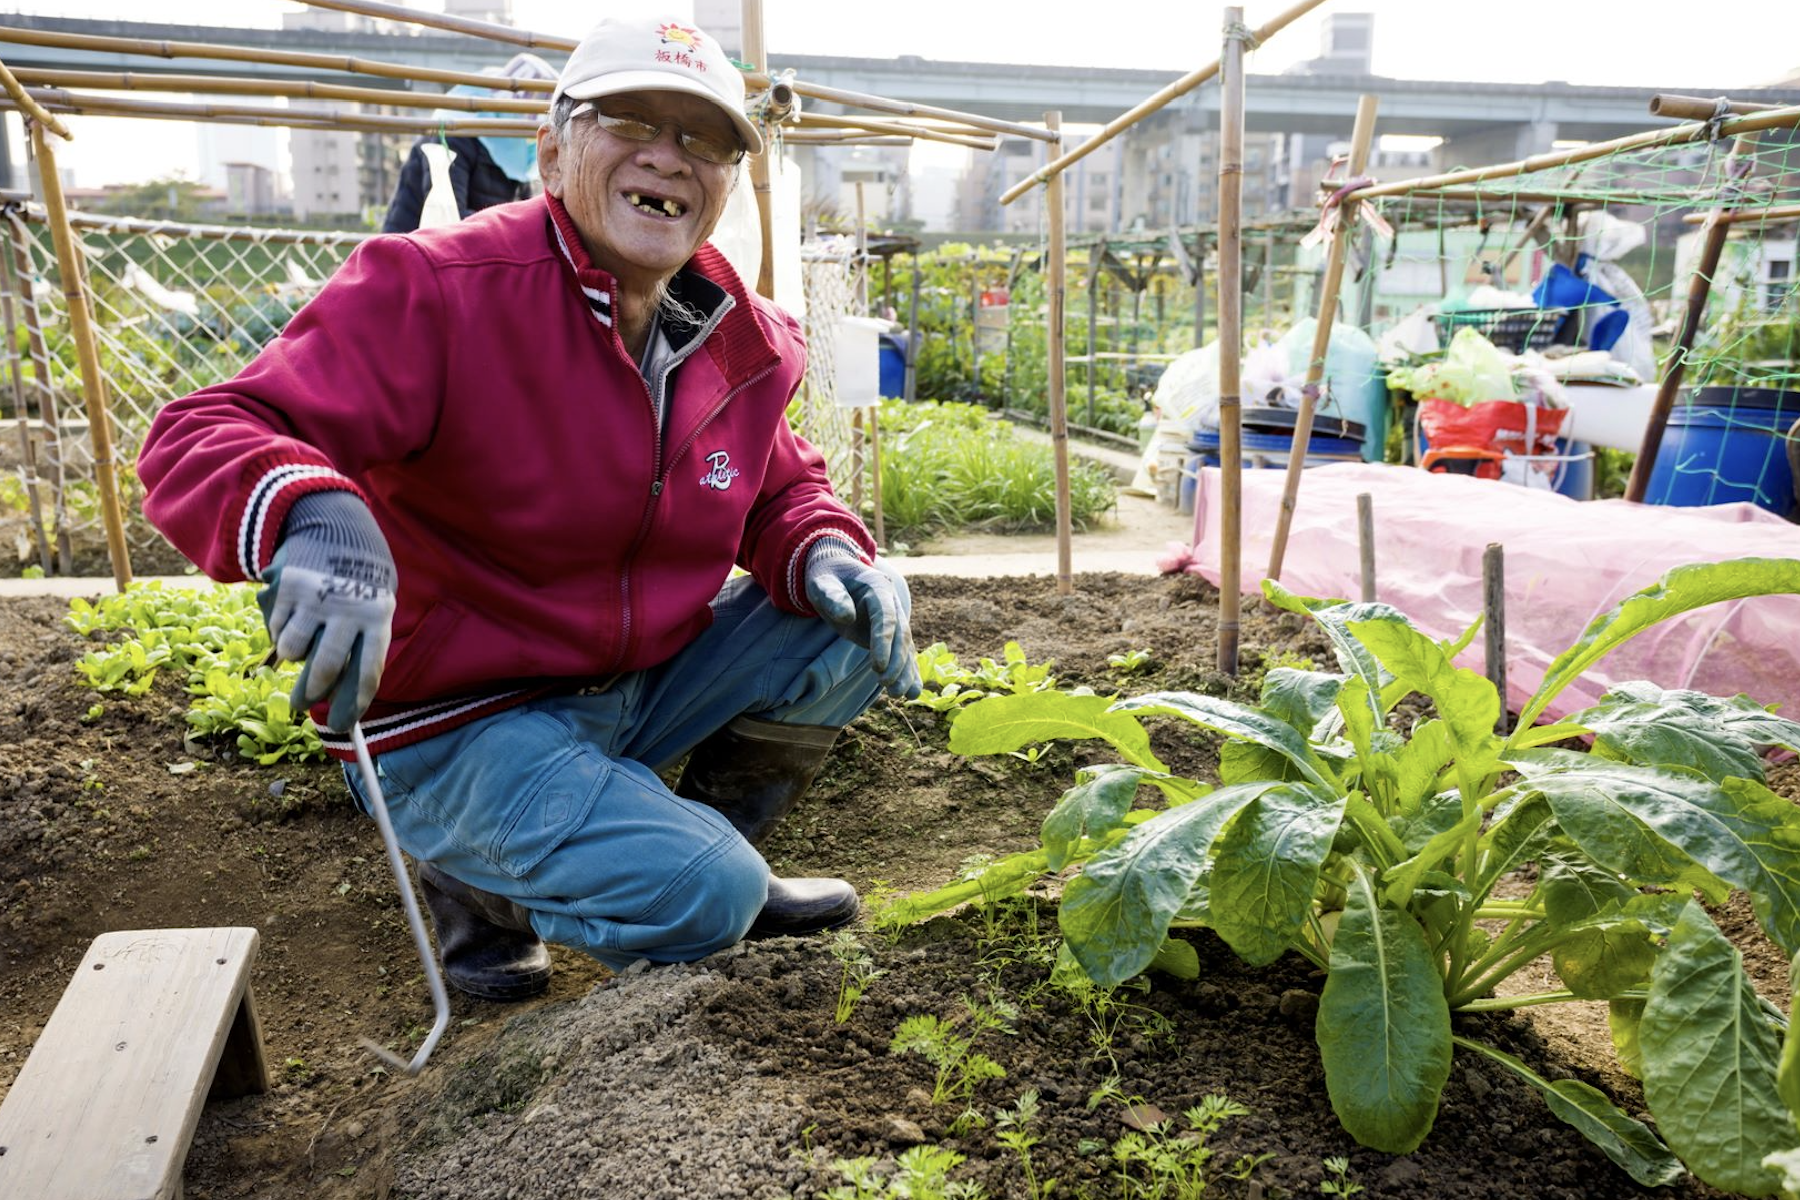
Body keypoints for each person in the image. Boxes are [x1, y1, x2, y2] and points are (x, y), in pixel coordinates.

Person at [138, 13, 922, 1002]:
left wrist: (819, 549)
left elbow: (773, 482)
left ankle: (689, 843)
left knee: (848, 623)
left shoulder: (731, 337)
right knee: (701, 899)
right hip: (457, 715)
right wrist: (311, 512)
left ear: (724, 182)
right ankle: (501, 876)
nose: (670, 159)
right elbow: (206, 428)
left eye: (704, 139)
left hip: (625, 683)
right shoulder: (442, 290)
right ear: (552, 153)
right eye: (632, 121)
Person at [381, 53, 556, 234]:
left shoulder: (518, 155)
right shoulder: (454, 136)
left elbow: (523, 214)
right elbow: (449, 217)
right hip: (415, 248)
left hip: (472, 248)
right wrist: (512, 231)